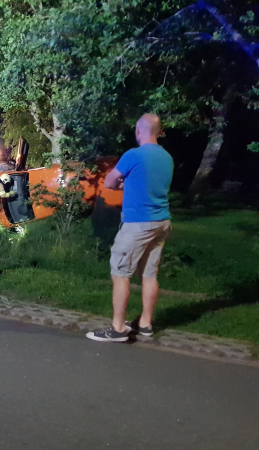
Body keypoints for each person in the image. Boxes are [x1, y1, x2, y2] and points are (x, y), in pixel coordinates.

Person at [87, 113, 173, 343]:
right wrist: (129, 184)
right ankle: (145, 324)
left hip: (138, 223)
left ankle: (118, 329)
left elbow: (109, 181)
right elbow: (147, 184)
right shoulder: (166, 158)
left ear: (138, 131)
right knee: (149, 274)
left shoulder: (133, 155)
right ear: (159, 131)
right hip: (161, 222)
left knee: (120, 273)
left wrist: (120, 183)